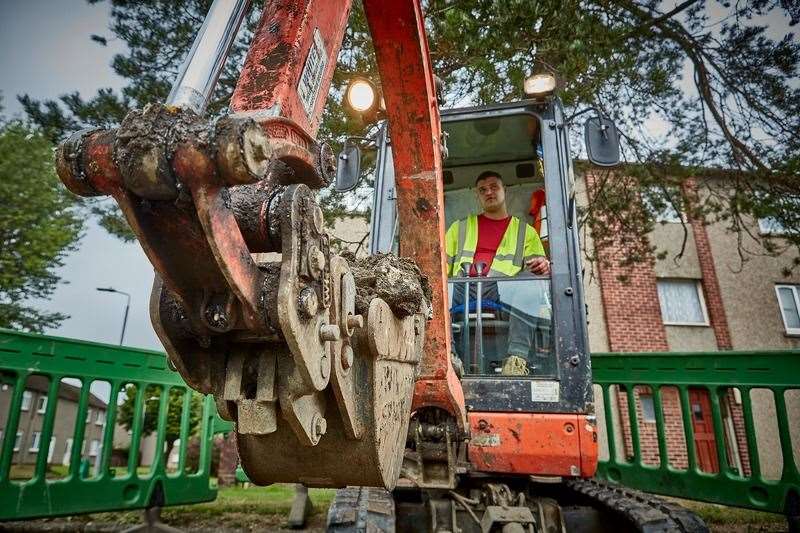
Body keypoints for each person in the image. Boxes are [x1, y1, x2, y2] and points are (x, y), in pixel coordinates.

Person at [445, 170, 551, 375]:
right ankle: (448, 356)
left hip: (505, 291)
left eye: (494, 187)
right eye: (482, 189)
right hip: (461, 287)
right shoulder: (459, 228)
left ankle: (516, 361)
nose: (488, 192)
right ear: (477, 195)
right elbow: (439, 266)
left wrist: (543, 264)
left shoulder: (525, 232)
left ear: (505, 191)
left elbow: (538, 268)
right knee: (436, 289)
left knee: (531, 280)